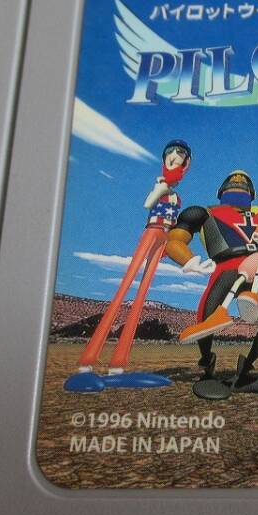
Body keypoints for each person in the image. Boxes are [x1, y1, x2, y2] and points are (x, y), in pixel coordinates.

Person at [64, 139, 192, 392]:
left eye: (180, 160)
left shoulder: (177, 196)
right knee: (125, 287)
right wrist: (160, 188)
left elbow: (173, 222)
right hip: (152, 231)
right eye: (171, 158)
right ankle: (88, 361)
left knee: (141, 296)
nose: (175, 161)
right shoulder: (161, 185)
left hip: (164, 237)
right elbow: (148, 203)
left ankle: (118, 364)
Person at [165, 170, 258, 399]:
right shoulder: (204, 213)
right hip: (225, 267)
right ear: (220, 190)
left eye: (244, 180)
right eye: (232, 179)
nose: (238, 180)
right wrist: (188, 259)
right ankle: (207, 367)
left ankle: (245, 371)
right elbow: (175, 239)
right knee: (207, 317)